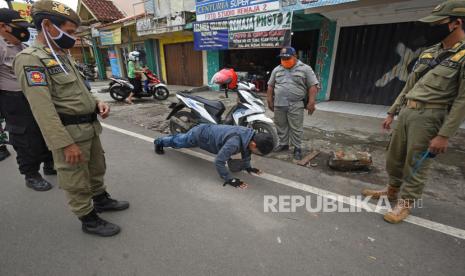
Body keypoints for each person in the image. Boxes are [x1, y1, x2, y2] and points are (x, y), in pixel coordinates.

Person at [14, 0, 129, 237]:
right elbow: (42, 109)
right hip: (69, 133)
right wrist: (65, 143)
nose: (72, 38)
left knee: (97, 168)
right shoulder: (30, 59)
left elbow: (79, 90)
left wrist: (97, 103)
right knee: (75, 179)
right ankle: (88, 218)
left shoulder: (62, 55)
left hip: (89, 127)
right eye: (68, 32)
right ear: (47, 24)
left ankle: (101, 199)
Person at [362, 0, 465, 224]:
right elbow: (409, 86)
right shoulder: (430, 53)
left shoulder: (463, 55)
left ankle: (405, 203)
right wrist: (392, 112)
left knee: (416, 162)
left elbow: (462, 101)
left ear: (456, 23)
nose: (431, 28)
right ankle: (391, 191)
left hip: (431, 116)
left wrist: (444, 135)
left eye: (437, 23)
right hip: (408, 112)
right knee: (395, 157)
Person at [0, 8, 55, 191]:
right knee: (25, 137)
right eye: (17, 27)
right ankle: (31, 174)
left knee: (44, 129)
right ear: (2, 26)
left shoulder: (21, 47)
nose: (22, 31)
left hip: (33, 95)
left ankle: (50, 164)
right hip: (13, 99)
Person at [154, 124, 274, 188]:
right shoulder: (234, 143)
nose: (259, 154)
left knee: (180, 139)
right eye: (260, 152)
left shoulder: (249, 135)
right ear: (253, 144)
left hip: (209, 132)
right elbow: (219, 161)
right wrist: (229, 179)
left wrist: (248, 167)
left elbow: (247, 151)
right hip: (200, 135)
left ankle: (173, 137)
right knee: (178, 142)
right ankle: (159, 141)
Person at [267, 47, 319, 160]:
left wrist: (311, 102)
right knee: (280, 125)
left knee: (296, 127)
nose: (284, 60)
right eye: (282, 58)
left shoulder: (305, 69)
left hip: (296, 104)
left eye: (287, 58)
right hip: (279, 103)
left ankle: (297, 148)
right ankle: (283, 144)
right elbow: (270, 86)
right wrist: (269, 100)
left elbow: (313, 86)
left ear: (295, 56)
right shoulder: (277, 69)